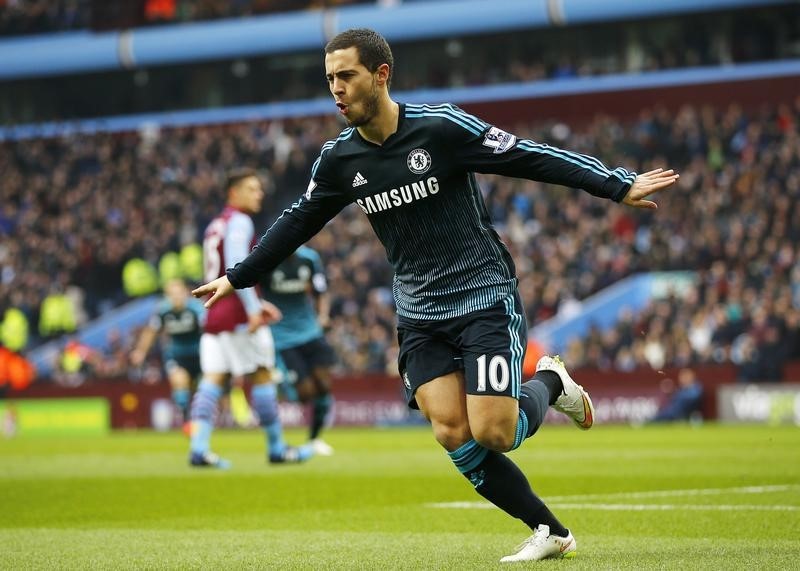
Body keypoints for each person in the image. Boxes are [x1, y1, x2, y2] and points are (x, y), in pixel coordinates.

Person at [192, 29, 678, 560]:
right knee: (451, 431)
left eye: (347, 76)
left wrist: (616, 183)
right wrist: (237, 276)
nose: (336, 89)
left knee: (495, 431)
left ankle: (551, 380)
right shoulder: (339, 160)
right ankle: (551, 531)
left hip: (481, 294)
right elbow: (297, 221)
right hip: (419, 311)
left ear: (381, 75)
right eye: (330, 79)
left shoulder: (442, 128)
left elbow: (528, 156)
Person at [190, 167, 314, 468]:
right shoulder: (239, 221)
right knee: (262, 373)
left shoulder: (215, 225)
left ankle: (199, 448)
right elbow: (235, 266)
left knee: (213, 379)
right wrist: (253, 307)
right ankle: (277, 448)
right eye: (252, 188)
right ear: (234, 193)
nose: (259, 194)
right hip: (237, 312)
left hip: (215, 313)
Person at [260, 246, 338, 456]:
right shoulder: (268, 258)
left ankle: (315, 438)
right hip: (282, 337)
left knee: (324, 383)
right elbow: (254, 291)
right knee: (305, 394)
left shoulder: (310, 258)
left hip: (310, 331)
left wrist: (322, 316)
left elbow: (321, 291)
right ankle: (282, 382)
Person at [130, 278, 204, 431]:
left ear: (185, 293)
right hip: (177, 356)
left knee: (202, 391)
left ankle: (206, 419)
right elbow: (151, 332)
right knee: (180, 387)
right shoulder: (163, 311)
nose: (176, 298)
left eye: (179, 293)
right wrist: (140, 352)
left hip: (200, 356)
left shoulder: (196, 309)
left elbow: (209, 328)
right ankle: (187, 422)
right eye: (172, 294)